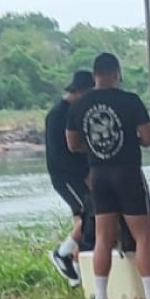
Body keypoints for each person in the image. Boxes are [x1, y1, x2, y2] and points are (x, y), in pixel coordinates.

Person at [65, 52, 150, 299]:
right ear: (116, 73)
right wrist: (130, 140)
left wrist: (96, 148)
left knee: (103, 237)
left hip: (99, 174)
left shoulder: (79, 105)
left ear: (95, 75)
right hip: (127, 172)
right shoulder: (129, 100)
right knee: (142, 236)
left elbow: (72, 144)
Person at [45, 69, 96, 283]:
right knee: (88, 214)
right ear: (80, 91)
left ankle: (77, 270)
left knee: (82, 219)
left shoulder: (75, 110)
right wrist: (84, 175)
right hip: (66, 176)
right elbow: (60, 153)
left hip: (79, 173)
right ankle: (62, 253)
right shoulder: (58, 115)